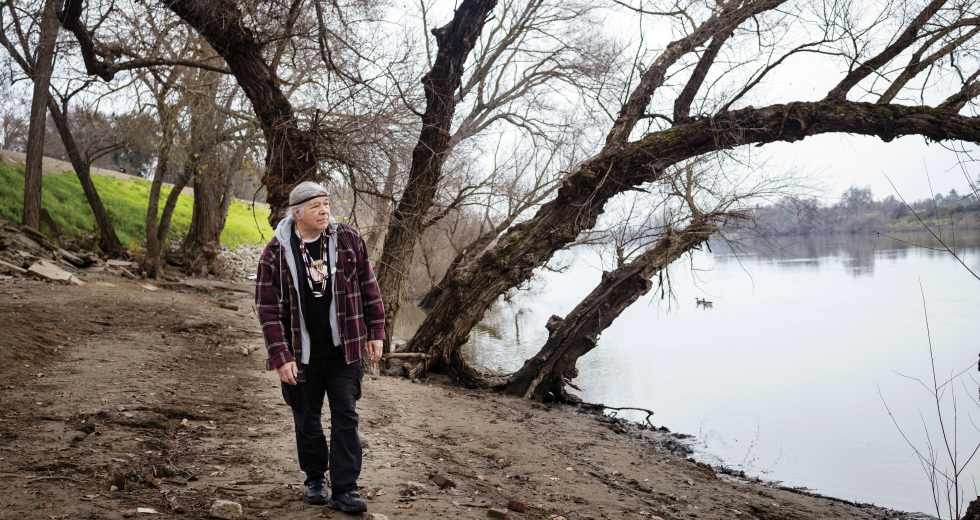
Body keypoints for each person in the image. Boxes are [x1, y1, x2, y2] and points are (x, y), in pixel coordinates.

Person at [255, 181, 385, 513]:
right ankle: (316, 477)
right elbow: (267, 310)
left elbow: (369, 286)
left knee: (346, 417)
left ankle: (345, 489)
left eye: (326, 203)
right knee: (306, 418)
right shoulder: (275, 253)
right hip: (300, 354)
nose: (324, 210)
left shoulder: (348, 239)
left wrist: (376, 331)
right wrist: (280, 356)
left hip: (344, 349)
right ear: (297, 212)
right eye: (316, 206)